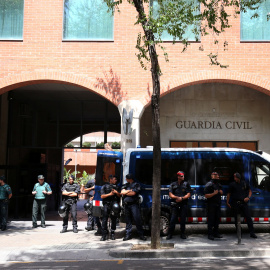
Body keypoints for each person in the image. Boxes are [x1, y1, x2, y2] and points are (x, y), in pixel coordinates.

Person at [226, 172, 257, 238]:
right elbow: (229, 194)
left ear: (238, 178)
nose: (235, 178)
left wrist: (248, 197)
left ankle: (252, 233)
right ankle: (239, 233)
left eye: (236, 177)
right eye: (234, 177)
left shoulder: (244, 183)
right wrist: (227, 202)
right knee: (236, 220)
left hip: (243, 203)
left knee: (248, 218)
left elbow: (250, 191)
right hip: (235, 203)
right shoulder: (232, 185)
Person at [121, 173, 146, 241]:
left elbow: (133, 193)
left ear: (129, 179)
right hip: (126, 205)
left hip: (134, 205)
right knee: (128, 221)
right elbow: (122, 192)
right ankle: (128, 235)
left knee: (137, 220)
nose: (126, 179)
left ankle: (141, 234)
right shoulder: (125, 185)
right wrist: (129, 191)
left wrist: (126, 192)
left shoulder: (136, 185)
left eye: (126, 178)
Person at [166, 171, 191, 240]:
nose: (183, 177)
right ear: (178, 177)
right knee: (173, 220)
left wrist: (182, 198)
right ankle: (170, 234)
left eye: (183, 176)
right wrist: (177, 198)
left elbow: (188, 194)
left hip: (183, 204)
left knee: (183, 220)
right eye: (181, 176)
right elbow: (170, 194)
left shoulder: (186, 184)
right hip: (175, 204)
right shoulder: (173, 184)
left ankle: (182, 233)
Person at [100, 175, 121, 241]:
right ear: (110, 179)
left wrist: (116, 192)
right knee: (104, 220)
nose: (116, 181)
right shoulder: (104, 186)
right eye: (115, 179)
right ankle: (104, 235)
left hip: (114, 205)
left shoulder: (117, 187)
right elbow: (102, 196)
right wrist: (110, 194)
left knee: (114, 220)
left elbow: (120, 195)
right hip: (106, 205)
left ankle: (112, 233)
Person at [204, 172, 223, 240]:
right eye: (216, 175)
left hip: (218, 204)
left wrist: (220, 192)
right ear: (212, 176)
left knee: (217, 219)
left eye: (218, 175)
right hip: (211, 205)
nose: (218, 176)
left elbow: (221, 191)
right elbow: (206, 195)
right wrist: (214, 193)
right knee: (211, 220)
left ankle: (216, 233)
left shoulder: (218, 184)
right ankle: (210, 234)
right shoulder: (209, 184)